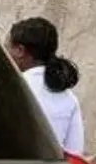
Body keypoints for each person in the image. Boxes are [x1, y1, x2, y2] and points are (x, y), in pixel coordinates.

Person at [7, 17, 85, 155]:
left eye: (7, 47)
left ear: (20, 50)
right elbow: (75, 155)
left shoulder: (9, 88)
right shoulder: (69, 98)